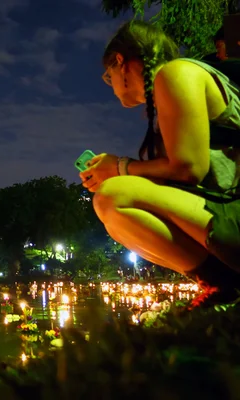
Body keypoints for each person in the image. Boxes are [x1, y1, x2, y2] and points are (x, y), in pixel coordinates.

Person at [80, 20, 240, 308]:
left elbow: (188, 168)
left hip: (233, 217)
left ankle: (225, 282)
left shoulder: (176, 73)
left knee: (114, 196)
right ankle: (220, 282)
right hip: (226, 215)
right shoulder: (173, 84)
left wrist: (119, 167)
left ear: (121, 62)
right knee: (116, 199)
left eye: (109, 75)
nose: (111, 85)